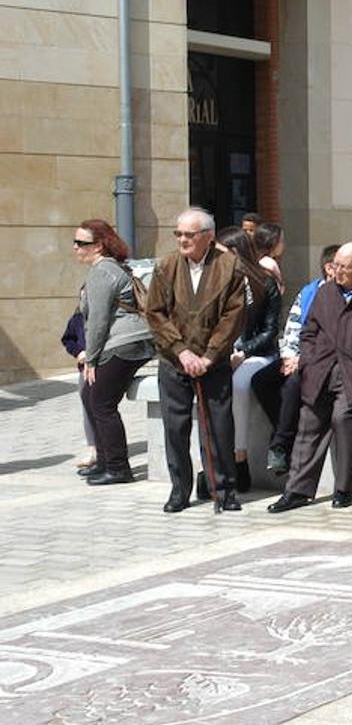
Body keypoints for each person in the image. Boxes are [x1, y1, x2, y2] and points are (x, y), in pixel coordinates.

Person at [266, 242, 352, 512]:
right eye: (336, 265)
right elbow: (308, 331)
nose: (338, 272)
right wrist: (309, 358)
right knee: (309, 424)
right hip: (320, 369)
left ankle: (344, 489)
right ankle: (296, 490)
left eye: (345, 267)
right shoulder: (326, 292)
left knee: (344, 420)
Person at [144, 208, 248, 512]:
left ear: (209, 236)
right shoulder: (166, 266)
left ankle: (224, 489)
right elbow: (155, 313)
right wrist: (181, 350)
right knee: (175, 428)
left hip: (212, 363)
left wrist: (210, 355)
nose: (182, 240)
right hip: (174, 361)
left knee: (218, 427)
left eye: (189, 234)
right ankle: (179, 490)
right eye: (178, 234)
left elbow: (233, 316)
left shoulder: (229, 267)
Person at [73, 219, 155, 485]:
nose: (75, 248)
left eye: (81, 243)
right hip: (131, 341)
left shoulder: (102, 272)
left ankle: (118, 469)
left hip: (124, 342)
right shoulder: (112, 268)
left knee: (102, 403)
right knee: (90, 395)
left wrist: (92, 357)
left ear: (98, 246)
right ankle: (105, 463)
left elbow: (98, 321)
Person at [253, 244, 340, 476]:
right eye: (339, 265)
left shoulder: (345, 294)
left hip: (318, 359)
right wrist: (288, 356)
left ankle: (280, 444)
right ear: (329, 267)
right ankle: (283, 433)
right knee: (260, 380)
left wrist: (301, 359)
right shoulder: (310, 291)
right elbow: (293, 324)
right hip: (295, 355)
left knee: (293, 384)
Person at [216, 226, 282, 494]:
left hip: (258, 353)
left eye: (220, 254)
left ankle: (239, 458)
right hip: (224, 352)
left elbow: (269, 329)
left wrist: (244, 353)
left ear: (235, 253)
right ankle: (210, 461)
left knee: (240, 384)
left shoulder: (264, 281)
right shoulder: (215, 282)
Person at [61, 308, 101, 472]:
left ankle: (107, 446)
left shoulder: (105, 314)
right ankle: (93, 450)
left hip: (104, 366)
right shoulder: (77, 318)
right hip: (84, 370)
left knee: (104, 408)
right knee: (87, 409)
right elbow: (68, 339)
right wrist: (78, 351)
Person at [253, 222, 286, 293]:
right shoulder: (269, 263)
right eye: (281, 241)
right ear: (273, 242)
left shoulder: (256, 261)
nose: (283, 245)